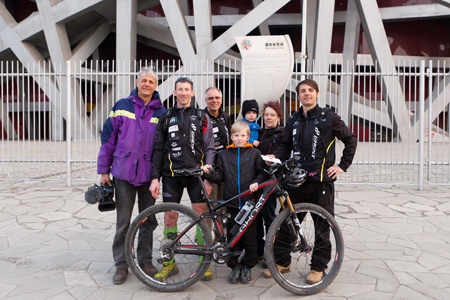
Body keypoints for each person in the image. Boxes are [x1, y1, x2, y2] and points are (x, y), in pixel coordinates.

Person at [263, 79, 357, 284]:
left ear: (317, 94)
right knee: (286, 223)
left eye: (310, 91)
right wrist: (275, 158)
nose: (307, 94)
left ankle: (318, 268)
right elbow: (285, 145)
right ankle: (282, 263)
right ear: (298, 96)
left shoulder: (328, 117)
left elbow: (350, 139)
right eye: (303, 91)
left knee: (322, 227)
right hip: (296, 181)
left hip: (321, 182)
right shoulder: (294, 118)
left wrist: (342, 165)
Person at [97, 67, 166, 285]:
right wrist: (104, 170)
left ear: (155, 86)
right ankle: (121, 264)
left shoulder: (161, 112)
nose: (147, 84)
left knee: (148, 220)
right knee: (123, 222)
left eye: (151, 81)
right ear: (137, 82)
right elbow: (108, 138)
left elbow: (161, 147)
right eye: (144, 80)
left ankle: (145, 260)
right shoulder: (121, 106)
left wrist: (158, 176)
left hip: (148, 176)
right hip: (123, 174)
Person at [149, 76, 216, 282]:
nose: (184, 93)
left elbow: (210, 148)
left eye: (187, 89)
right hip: (172, 176)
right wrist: (154, 178)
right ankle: (170, 263)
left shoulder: (202, 115)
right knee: (170, 217)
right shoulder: (166, 117)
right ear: (175, 92)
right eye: (180, 89)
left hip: (197, 177)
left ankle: (203, 263)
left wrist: (208, 176)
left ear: (192, 93)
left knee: (200, 216)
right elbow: (158, 149)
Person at [203, 121, 266, 284]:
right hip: (231, 202)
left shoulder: (255, 153)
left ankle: (247, 266)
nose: (239, 138)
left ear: (248, 137)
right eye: (236, 135)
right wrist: (209, 174)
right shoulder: (224, 155)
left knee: (250, 237)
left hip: (249, 203)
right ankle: (235, 266)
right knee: (233, 235)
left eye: (243, 135)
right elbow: (219, 176)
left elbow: (261, 173)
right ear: (231, 137)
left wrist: (257, 182)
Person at [256, 101, 284, 267]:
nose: (268, 117)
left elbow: (282, 154)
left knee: (269, 218)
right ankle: (259, 250)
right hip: (256, 180)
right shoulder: (259, 133)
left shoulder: (282, 134)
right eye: (266, 114)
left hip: (271, 180)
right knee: (256, 217)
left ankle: (270, 252)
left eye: (272, 114)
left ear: (278, 117)